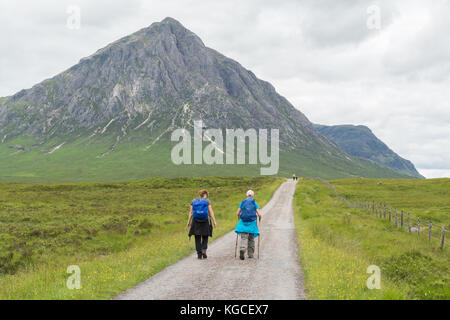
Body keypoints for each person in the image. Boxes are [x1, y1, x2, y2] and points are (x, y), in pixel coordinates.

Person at [187, 189, 217, 259]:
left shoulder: (193, 201)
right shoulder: (207, 201)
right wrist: (214, 221)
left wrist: (188, 221)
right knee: (205, 236)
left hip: (195, 221)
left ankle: (199, 254)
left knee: (197, 237)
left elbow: (191, 212)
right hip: (205, 220)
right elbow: (210, 212)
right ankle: (204, 249)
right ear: (205, 194)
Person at [235, 190, 262, 260]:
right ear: (252, 195)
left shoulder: (243, 202)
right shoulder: (254, 203)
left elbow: (237, 213)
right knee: (251, 238)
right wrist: (260, 218)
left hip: (243, 222)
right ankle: (250, 254)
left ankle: (242, 249)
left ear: (246, 195)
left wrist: (239, 217)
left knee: (243, 237)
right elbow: (259, 214)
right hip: (252, 223)